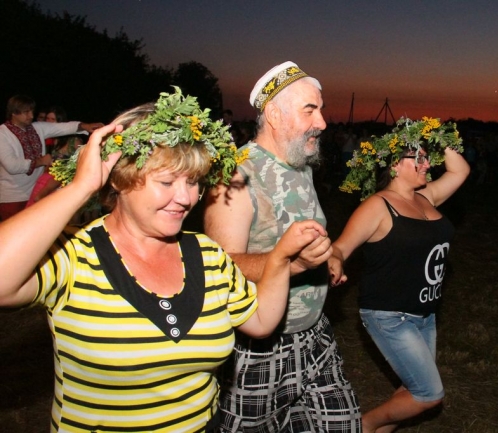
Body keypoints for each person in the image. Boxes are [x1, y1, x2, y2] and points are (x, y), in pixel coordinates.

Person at [0, 88, 327, 432]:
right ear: (121, 179)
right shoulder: (73, 253)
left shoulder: (206, 254)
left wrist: (281, 259)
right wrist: (81, 187)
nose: (185, 198)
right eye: (167, 181)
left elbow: (260, 321)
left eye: (193, 182)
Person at [204, 61, 362, 432]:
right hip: (258, 348)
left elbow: (298, 237)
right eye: (310, 110)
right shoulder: (237, 173)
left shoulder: (300, 163)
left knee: (343, 424)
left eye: (320, 109)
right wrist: (295, 265)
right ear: (274, 114)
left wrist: (327, 258)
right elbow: (220, 266)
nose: (322, 122)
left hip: (315, 334)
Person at [334, 117, 469, 432]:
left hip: (425, 314)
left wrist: (434, 135)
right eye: (417, 158)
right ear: (394, 165)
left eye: (426, 157)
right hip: (390, 315)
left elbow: (460, 170)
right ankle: (363, 426)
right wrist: (335, 261)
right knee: (429, 393)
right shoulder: (378, 206)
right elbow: (339, 247)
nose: (426, 164)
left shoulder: (426, 197)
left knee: (413, 388)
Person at [0, 95, 102, 221]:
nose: (31, 116)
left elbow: (63, 127)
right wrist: (40, 161)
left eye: (32, 111)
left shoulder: (37, 128)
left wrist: (85, 126)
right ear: (14, 113)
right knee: (14, 231)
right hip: (12, 197)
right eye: (26, 112)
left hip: (35, 192)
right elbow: (12, 166)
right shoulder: (2, 134)